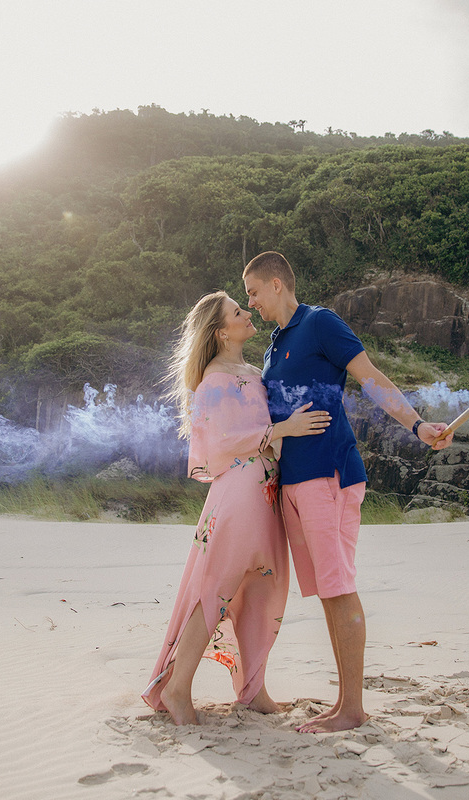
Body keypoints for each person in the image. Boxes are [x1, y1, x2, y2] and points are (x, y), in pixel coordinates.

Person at [243, 251, 454, 733]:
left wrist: (417, 426)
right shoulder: (274, 346)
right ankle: (343, 703)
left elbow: (371, 378)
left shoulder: (320, 323)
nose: (250, 302)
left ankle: (353, 709)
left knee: (339, 588)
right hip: (293, 483)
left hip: (329, 476)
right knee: (326, 593)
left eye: (253, 291)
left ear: (276, 284)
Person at [143, 290, 332, 725]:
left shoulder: (250, 370)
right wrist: (284, 428)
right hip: (240, 493)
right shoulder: (214, 380)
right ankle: (177, 689)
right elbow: (222, 443)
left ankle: (253, 690)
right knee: (217, 588)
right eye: (237, 311)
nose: (247, 314)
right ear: (220, 331)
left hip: (265, 491)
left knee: (262, 587)